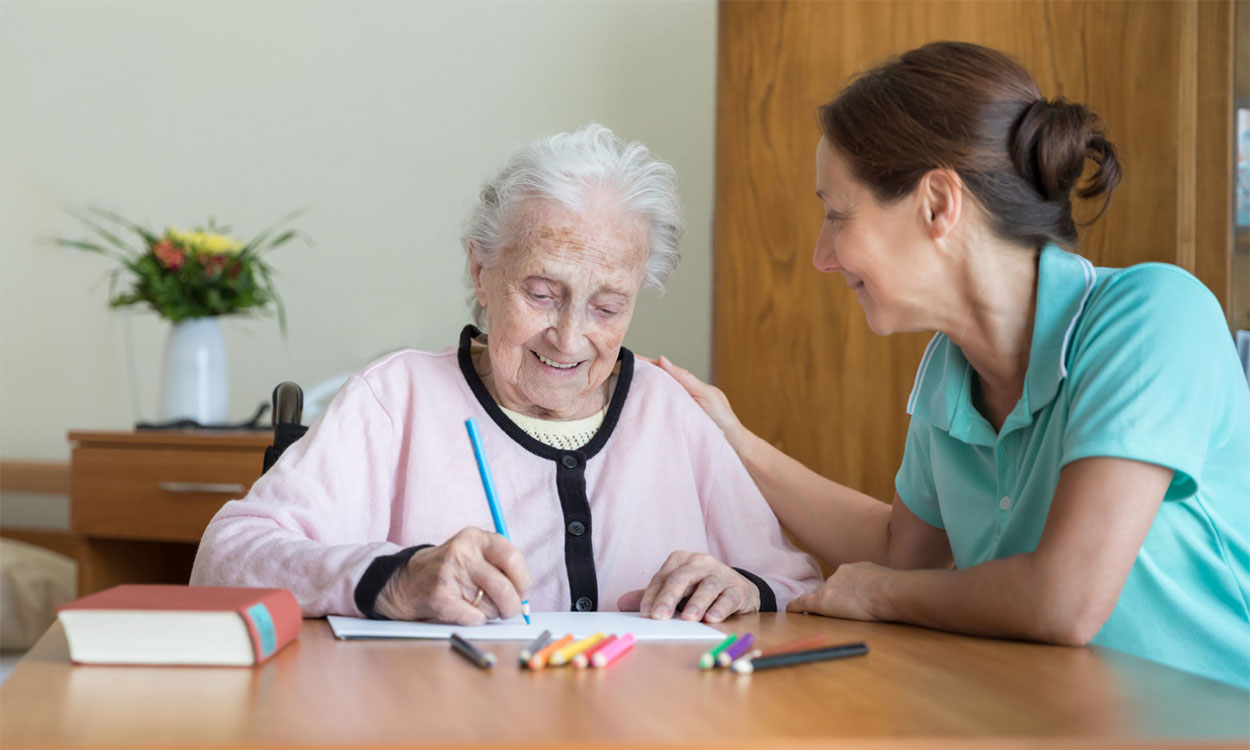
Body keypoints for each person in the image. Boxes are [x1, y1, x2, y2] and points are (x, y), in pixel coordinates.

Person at [652, 42, 1250, 687]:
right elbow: (901, 553)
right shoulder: (948, 364)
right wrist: (728, 436)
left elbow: (1063, 598)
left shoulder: (1155, 315)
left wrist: (876, 595)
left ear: (938, 203)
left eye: (837, 215)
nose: (824, 256)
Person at [190, 124, 821, 625]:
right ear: (481, 270)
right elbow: (224, 558)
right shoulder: (395, 400)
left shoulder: (673, 413)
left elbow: (798, 584)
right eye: (542, 293)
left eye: (607, 306)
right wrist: (394, 579)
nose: (570, 337)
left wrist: (746, 588)